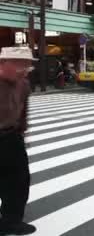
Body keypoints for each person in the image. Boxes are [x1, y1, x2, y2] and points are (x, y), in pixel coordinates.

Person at [0, 47, 37, 235]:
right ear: (3, 64)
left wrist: (21, 132)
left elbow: (23, 112)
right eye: (19, 65)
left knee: (19, 182)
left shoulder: (23, 84)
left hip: (11, 137)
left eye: (27, 65)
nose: (24, 69)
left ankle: (11, 222)